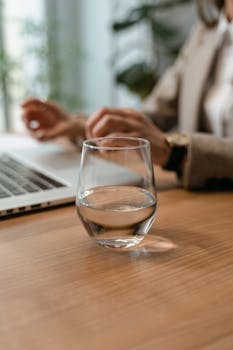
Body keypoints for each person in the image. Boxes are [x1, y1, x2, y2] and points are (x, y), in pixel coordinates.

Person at [22, 0, 233, 189]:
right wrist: (82, 125)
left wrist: (176, 153)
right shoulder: (207, 32)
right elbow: (152, 117)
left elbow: (168, 145)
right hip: (198, 202)